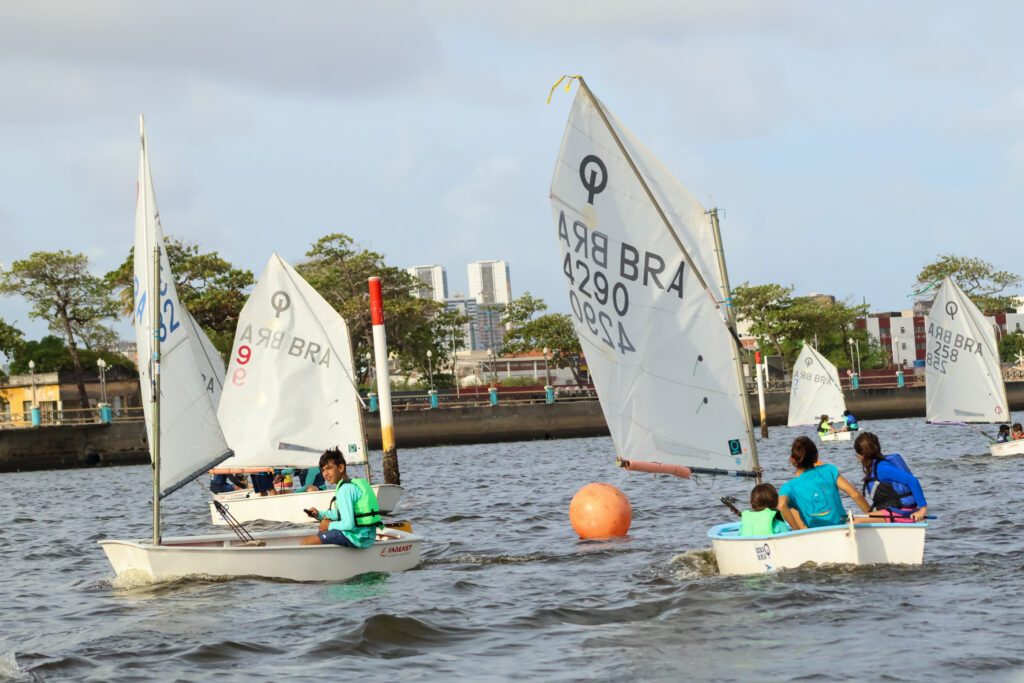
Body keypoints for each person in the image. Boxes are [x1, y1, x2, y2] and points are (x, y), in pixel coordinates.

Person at [778, 436, 870, 529]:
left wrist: (796, 530)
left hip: (816, 533)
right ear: (816, 457)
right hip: (841, 528)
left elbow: (781, 505)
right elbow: (855, 494)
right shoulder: (828, 470)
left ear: (792, 459)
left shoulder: (788, 487)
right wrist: (871, 514)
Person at [301, 447, 383, 547]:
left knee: (306, 542)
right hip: (365, 536)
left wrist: (329, 525)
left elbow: (348, 524)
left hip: (357, 538)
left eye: (328, 468)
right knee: (321, 531)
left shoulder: (344, 489)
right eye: (323, 470)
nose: (325, 474)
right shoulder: (349, 486)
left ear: (340, 468)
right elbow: (340, 513)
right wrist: (319, 514)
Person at [853, 432, 928, 522]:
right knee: (853, 519)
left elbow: (912, 480)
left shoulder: (882, 468)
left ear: (860, 456)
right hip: (894, 511)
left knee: (854, 521)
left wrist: (922, 509)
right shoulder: (876, 467)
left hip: (901, 513)